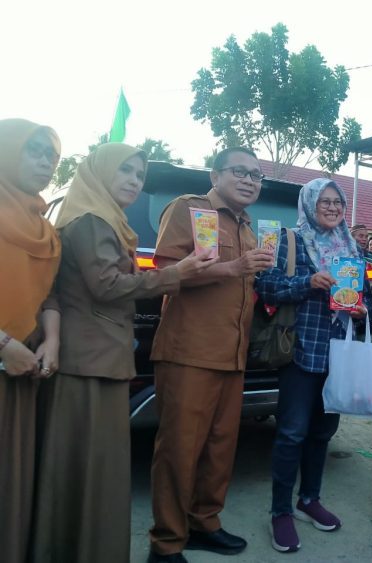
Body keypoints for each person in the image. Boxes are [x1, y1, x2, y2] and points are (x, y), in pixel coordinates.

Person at [31, 144, 215, 563]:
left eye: (139, 174)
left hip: (97, 359)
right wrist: (177, 273)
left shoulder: (103, 218)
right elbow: (107, 285)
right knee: (88, 470)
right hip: (89, 363)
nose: (134, 180)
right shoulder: (92, 220)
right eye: (125, 171)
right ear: (99, 173)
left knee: (90, 470)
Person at [148, 147, 275, 563]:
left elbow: (245, 286)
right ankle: (166, 542)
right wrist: (235, 268)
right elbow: (165, 273)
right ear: (215, 175)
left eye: (256, 175)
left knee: (221, 448)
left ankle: (204, 522)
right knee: (179, 450)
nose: (249, 180)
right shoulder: (189, 209)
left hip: (232, 355)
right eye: (240, 171)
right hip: (189, 352)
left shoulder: (249, 227)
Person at [255, 178, 372, 553]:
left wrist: (362, 308)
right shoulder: (286, 240)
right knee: (292, 433)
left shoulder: (351, 246)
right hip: (300, 350)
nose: (333, 207)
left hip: (338, 354)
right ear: (308, 203)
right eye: (325, 201)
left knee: (322, 433)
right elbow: (266, 286)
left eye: (338, 202)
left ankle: (309, 499)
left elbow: (366, 295)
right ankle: (280, 512)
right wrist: (309, 282)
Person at [0, 118, 62, 563]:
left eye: (51, 156)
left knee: (12, 480)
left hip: (22, 371)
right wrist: (4, 345)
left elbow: (50, 294)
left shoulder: (44, 228)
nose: (45, 163)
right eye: (34, 151)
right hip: (10, 355)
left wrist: (52, 341)